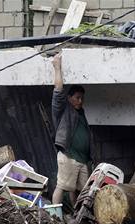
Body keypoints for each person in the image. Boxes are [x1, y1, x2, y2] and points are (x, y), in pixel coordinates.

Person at [51, 53, 93, 209]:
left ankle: (78, 216)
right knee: (62, 186)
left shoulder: (80, 112)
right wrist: (57, 66)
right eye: (77, 98)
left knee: (81, 190)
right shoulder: (63, 110)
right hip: (69, 156)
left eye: (82, 98)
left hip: (82, 159)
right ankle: (55, 215)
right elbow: (58, 90)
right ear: (69, 98)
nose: (80, 101)